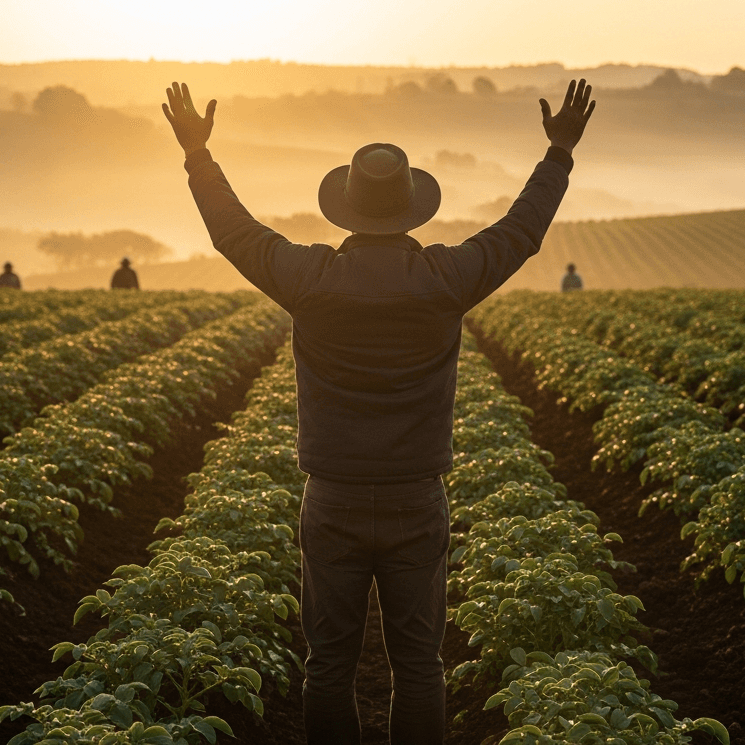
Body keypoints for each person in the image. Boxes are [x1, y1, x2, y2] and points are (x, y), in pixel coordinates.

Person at [164, 78, 595, 745]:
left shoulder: (309, 277)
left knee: (328, 667)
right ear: (411, 211)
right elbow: (521, 234)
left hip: (331, 498)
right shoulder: (445, 278)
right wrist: (558, 154)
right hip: (415, 497)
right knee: (419, 665)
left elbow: (234, 233)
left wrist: (198, 155)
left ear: (346, 210)